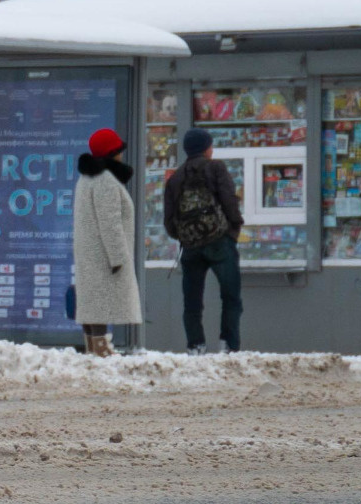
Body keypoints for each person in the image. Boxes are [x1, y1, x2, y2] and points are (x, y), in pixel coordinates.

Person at [161, 125, 245, 353]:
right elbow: (229, 200)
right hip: (220, 243)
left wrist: (185, 236)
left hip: (191, 248)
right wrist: (232, 229)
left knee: (192, 302)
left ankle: (195, 345)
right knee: (230, 297)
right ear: (207, 148)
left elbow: (169, 220)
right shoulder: (215, 168)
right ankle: (228, 344)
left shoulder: (175, 178)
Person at [70, 125, 142, 356]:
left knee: (91, 300)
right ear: (112, 153)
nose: (122, 153)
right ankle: (100, 349)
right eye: (118, 149)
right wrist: (118, 257)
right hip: (103, 253)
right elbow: (110, 222)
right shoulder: (105, 181)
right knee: (98, 300)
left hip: (90, 250)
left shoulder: (87, 178)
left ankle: (94, 346)